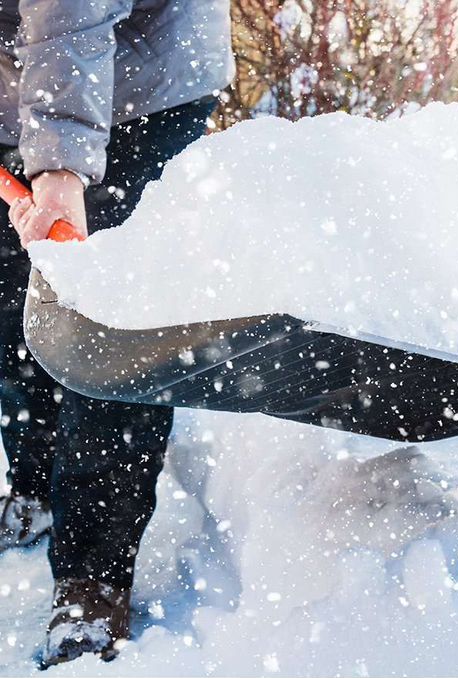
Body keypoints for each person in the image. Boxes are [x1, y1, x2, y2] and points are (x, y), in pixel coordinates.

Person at [0, 1, 233, 666]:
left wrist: (60, 169)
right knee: (14, 296)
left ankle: (92, 577)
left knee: (110, 320)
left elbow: (69, 14)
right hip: (20, 77)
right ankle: (36, 488)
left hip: (146, 76)